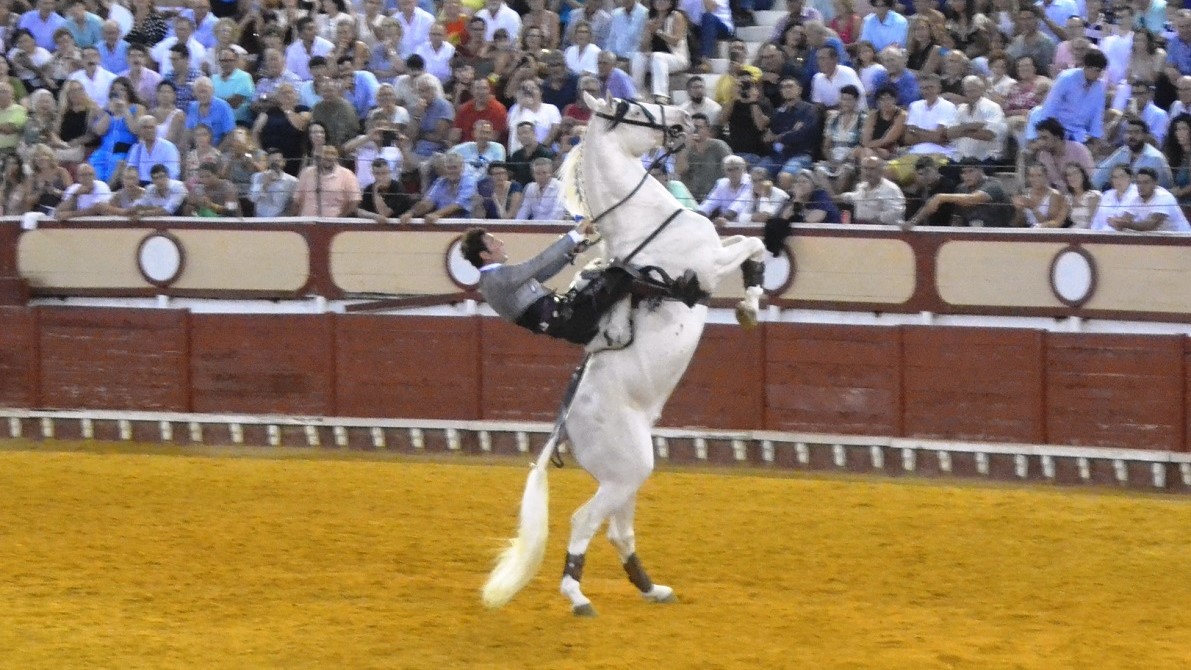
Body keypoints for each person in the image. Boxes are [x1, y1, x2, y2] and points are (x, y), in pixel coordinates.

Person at [460, 221, 638, 345]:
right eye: (493, 242)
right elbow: (539, 262)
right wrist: (576, 233)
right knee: (620, 274)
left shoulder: (492, 280)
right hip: (568, 318)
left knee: (604, 276)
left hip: (564, 318)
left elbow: (542, 273)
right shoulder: (496, 278)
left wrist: (570, 253)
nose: (500, 243)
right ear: (485, 255)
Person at [906, 159, 1010, 227]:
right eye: (963, 172)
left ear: (981, 171)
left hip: (997, 231)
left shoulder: (994, 184)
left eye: (971, 171)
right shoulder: (961, 188)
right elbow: (957, 218)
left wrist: (940, 197)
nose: (967, 176)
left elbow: (972, 199)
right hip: (970, 234)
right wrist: (913, 222)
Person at [1097, 166, 1190, 232]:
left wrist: (1124, 224)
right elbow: (1125, 219)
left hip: (1182, 241)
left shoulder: (1164, 197)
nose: (1141, 186)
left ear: (1155, 183)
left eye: (1146, 182)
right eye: (1139, 183)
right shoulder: (1137, 199)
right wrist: (1116, 222)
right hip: (1161, 241)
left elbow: (1150, 225)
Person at [1092, 115, 1174, 189]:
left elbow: (1164, 187)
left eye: (1136, 132)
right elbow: (1099, 177)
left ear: (1145, 135)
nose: (1132, 136)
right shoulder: (1123, 151)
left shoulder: (1155, 158)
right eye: (1129, 132)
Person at [630, 0, 688, 104]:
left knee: (658, 57)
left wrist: (658, 31)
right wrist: (648, 32)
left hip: (676, 58)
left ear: (671, 3)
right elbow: (643, 47)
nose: (660, 2)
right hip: (654, 59)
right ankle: (636, 91)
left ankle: (661, 95)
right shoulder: (650, 17)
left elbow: (675, 41)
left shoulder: (676, 16)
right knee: (638, 56)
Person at [399, 151, 476, 223]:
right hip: (443, 222)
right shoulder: (441, 182)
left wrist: (436, 214)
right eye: (448, 168)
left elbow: (458, 205)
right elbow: (428, 202)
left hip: (466, 222)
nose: (451, 171)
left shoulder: (469, 180)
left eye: (454, 167)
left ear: (462, 167)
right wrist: (410, 213)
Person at [293, 144, 360, 217]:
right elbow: (297, 200)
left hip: (333, 221)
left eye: (332, 154)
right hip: (306, 220)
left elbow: (354, 201)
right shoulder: (306, 172)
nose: (328, 157)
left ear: (337, 157)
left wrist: (339, 218)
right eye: (325, 155)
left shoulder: (347, 175)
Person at [836, 155, 905, 225]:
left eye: (872, 169)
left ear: (881, 171)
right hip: (859, 228)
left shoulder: (891, 188)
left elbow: (896, 214)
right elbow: (851, 197)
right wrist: (832, 198)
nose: (868, 172)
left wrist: (874, 219)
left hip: (882, 229)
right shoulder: (861, 186)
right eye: (865, 168)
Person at [697, 154, 752, 226]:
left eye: (736, 168)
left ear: (743, 168)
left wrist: (726, 217)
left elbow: (740, 202)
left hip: (745, 223)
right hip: (724, 222)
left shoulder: (751, 181)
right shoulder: (721, 183)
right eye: (729, 170)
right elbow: (711, 202)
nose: (733, 173)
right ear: (725, 171)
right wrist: (698, 215)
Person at [902, 155, 955, 225]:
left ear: (936, 169)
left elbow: (931, 207)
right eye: (921, 174)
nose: (925, 176)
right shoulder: (920, 190)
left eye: (928, 172)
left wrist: (912, 222)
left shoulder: (949, 186)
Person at [358, 157, 415, 223]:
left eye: (384, 173)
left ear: (389, 172)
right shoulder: (369, 188)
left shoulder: (398, 188)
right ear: (373, 174)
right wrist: (374, 216)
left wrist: (376, 192)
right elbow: (359, 211)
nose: (381, 177)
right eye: (377, 174)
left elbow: (384, 213)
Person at [1013, 162, 1070, 227]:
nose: (1035, 179)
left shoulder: (1054, 195)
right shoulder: (1024, 193)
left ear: (1046, 176)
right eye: (1032, 176)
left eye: (1039, 175)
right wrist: (1019, 210)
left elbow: (1052, 224)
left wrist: (1033, 207)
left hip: (1045, 232)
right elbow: (1018, 224)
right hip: (1027, 230)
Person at [249, 148, 299, 218]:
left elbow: (294, 203)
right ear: (267, 163)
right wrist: (265, 185)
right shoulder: (258, 177)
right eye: (272, 162)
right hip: (260, 219)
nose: (275, 165)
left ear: (283, 162)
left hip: (280, 220)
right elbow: (253, 198)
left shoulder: (292, 181)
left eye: (277, 161)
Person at [515, 156, 567, 221]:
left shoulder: (560, 187)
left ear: (551, 173)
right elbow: (524, 210)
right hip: (534, 225)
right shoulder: (530, 187)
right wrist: (517, 225)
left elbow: (558, 213)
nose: (541, 176)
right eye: (537, 173)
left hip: (554, 225)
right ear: (533, 175)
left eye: (544, 173)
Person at [1063, 163, 1100, 229]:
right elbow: (1060, 219)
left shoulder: (1093, 195)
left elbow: (1093, 221)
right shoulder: (1068, 198)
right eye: (1069, 175)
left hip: (1091, 231)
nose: (1072, 177)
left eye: (1075, 173)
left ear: (1083, 175)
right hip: (1073, 230)